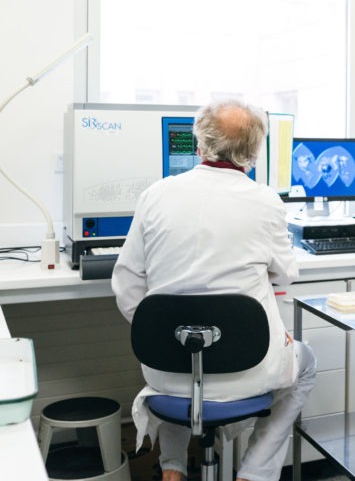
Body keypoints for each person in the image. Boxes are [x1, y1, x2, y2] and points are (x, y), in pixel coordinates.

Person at [112, 100, 316, 481]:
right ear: (254, 152)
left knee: (179, 352)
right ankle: (253, 473)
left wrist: (158, 328)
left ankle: (172, 468)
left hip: (166, 372)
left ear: (199, 143)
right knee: (306, 366)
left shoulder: (155, 195)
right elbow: (286, 275)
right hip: (247, 370)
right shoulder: (265, 201)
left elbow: (125, 282)